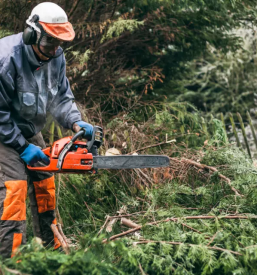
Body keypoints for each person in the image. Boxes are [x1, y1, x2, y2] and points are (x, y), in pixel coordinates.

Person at [0, 2, 93, 258]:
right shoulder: (6, 58)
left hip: (29, 129)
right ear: (32, 34)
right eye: (49, 42)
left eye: (58, 43)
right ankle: (12, 261)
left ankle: (51, 251)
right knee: (15, 191)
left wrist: (76, 122)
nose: (54, 49)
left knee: (45, 186)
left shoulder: (56, 57)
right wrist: (21, 147)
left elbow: (61, 97)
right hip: (3, 133)